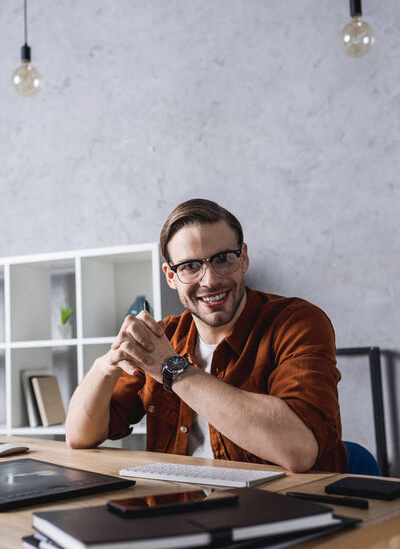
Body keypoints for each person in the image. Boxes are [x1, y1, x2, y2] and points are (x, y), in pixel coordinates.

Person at [66, 198, 347, 473]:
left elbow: (299, 451)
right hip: (174, 510)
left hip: (278, 512)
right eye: (190, 266)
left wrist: (171, 369)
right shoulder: (166, 336)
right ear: (171, 277)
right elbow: (79, 436)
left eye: (222, 259)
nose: (210, 280)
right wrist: (105, 367)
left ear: (244, 257)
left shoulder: (297, 322)